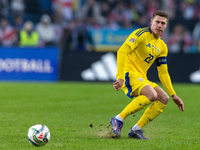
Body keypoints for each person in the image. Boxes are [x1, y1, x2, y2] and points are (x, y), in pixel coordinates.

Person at [110, 10, 184, 139]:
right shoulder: (140, 34)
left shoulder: (162, 46)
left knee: (163, 98)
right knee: (151, 95)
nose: (159, 25)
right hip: (128, 73)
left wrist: (174, 95)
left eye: (163, 23)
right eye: (157, 22)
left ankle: (136, 129)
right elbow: (122, 51)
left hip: (141, 77)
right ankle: (118, 119)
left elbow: (163, 72)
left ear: (166, 25)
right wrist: (120, 76)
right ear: (151, 22)